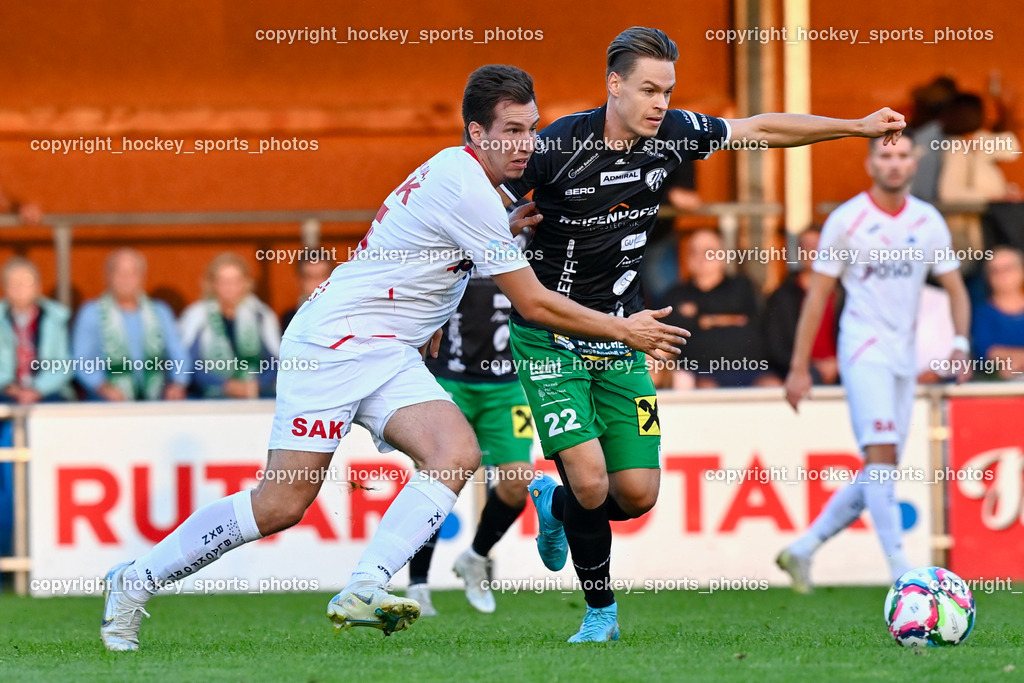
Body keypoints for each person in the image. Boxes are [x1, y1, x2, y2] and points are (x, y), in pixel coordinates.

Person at [100, 64, 688, 652]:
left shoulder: (472, 185)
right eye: (510, 130)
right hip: (332, 346)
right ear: (476, 134)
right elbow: (533, 303)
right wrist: (623, 329)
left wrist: (459, 279)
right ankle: (135, 582)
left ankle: (363, 586)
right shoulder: (465, 184)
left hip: (386, 350)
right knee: (280, 504)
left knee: (455, 451)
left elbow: (435, 248)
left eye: (532, 129)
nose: (525, 144)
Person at [500, 25, 907, 642]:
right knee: (588, 478)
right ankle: (601, 614)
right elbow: (472, 189)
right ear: (613, 85)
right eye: (647, 90)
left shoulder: (675, 134)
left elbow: (763, 129)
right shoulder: (557, 146)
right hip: (551, 334)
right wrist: (504, 219)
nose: (660, 103)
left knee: (635, 495)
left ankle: (554, 507)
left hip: (626, 334)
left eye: (667, 90)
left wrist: (853, 127)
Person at [777, 131, 971, 593]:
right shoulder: (847, 220)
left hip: (904, 354)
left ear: (914, 163)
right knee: (881, 454)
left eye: (903, 156)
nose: (895, 163)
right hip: (863, 349)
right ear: (870, 164)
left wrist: (961, 341)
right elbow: (818, 295)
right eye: (886, 155)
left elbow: (957, 289)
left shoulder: (928, 221)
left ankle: (802, 548)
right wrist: (800, 367)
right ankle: (902, 572)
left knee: (880, 467)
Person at [406, 271, 534, 615]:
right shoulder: (456, 222)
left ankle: (475, 557)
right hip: (450, 376)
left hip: (510, 383)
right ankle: (417, 584)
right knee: (435, 477)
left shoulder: (533, 227)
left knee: (517, 480)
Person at [655, 229, 773, 388]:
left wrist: (698, 318)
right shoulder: (674, 296)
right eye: (694, 252)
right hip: (699, 373)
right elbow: (667, 336)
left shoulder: (742, 287)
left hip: (750, 369)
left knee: (772, 385)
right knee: (705, 388)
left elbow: (754, 322)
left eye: (708, 252)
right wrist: (725, 318)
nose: (700, 258)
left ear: (723, 256)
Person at [72, 248, 190, 401]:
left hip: (157, 399)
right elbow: (82, 360)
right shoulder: (92, 313)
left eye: (131, 273)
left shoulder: (160, 311)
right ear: (108, 276)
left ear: (141, 277)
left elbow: (178, 353)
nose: (125, 279)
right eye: (119, 273)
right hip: (107, 401)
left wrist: (178, 383)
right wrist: (102, 387)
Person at [179, 253, 281, 398]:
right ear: (212, 284)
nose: (229, 287)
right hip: (209, 396)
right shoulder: (197, 316)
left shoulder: (261, 315)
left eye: (235, 281)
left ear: (246, 283)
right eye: (223, 281)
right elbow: (190, 364)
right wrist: (225, 385)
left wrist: (256, 385)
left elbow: (275, 361)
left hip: (256, 394)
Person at [762, 228, 839, 385]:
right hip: (800, 370)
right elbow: (775, 346)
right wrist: (807, 365)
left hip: (845, 367)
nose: (810, 250)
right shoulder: (781, 296)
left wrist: (840, 363)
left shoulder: (846, 292)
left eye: (817, 245)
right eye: (805, 246)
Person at [0, 257, 74, 403]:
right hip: (6, 391)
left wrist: (37, 389)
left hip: (48, 391)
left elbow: (64, 364)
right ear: (4, 287)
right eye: (13, 282)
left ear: (38, 286)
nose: (19, 287)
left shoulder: (57, 318)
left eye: (26, 281)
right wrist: (9, 387)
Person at [971, 246, 1024, 379]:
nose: (1002, 275)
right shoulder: (981, 313)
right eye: (994, 271)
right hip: (998, 384)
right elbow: (985, 350)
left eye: (1008, 268)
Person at [281, 255, 334, 331]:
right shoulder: (289, 319)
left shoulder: (346, 314)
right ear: (299, 280)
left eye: (323, 275)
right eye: (310, 276)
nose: (318, 283)